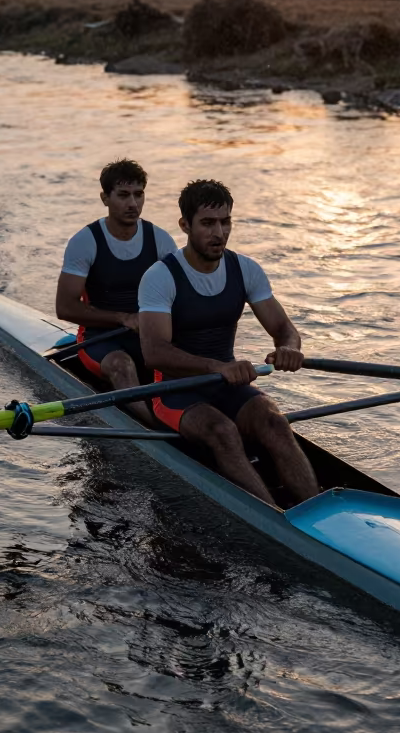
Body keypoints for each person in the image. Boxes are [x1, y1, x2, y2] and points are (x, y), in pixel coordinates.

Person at [138, 178, 318, 506]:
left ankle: (318, 511)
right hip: (173, 393)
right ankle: (276, 520)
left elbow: (283, 327)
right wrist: (217, 366)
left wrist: (289, 348)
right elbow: (153, 353)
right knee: (223, 432)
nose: (219, 233)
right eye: (207, 223)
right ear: (185, 225)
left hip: (225, 384)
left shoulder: (245, 269)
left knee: (274, 422)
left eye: (225, 222)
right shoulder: (160, 276)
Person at [56, 160, 177, 420]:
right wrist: (123, 318)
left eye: (139, 194)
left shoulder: (161, 241)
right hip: (98, 340)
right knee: (122, 365)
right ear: (105, 198)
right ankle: (153, 428)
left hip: (147, 337)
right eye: (123, 195)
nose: (133, 203)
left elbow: (180, 299)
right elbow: (65, 307)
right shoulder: (85, 242)